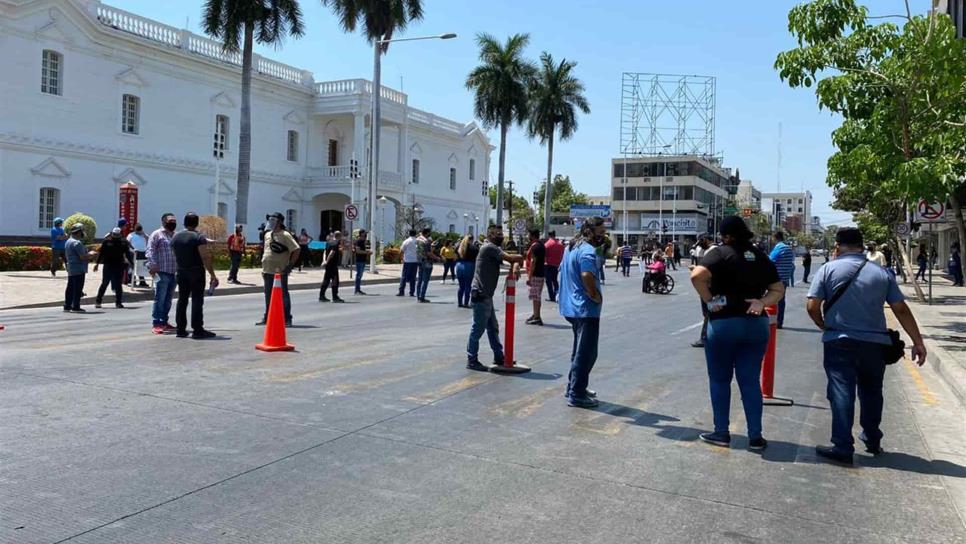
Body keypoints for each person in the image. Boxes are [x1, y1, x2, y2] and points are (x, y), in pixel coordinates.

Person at [806, 227, 927, 464]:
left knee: (842, 392)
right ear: (862, 246)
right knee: (872, 392)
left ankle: (842, 446)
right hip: (875, 344)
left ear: (838, 247)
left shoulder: (828, 269)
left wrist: (824, 325)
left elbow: (812, 306)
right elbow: (900, 308)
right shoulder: (882, 273)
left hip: (839, 341)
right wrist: (917, 342)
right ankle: (872, 438)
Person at [690, 216, 785, 450]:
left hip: (724, 323)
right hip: (756, 324)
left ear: (726, 235)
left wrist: (710, 300)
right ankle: (756, 437)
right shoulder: (760, 255)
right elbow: (778, 289)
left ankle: (721, 432)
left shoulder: (720, 253)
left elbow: (697, 276)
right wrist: (762, 302)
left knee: (721, 379)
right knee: (750, 380)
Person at [559, 217, 608, 408]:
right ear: (590, 231)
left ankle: (574, 385)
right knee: (587, 353)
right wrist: (594, 295)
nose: (603, 236)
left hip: (571, 306)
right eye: (601, 232)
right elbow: (587, 274)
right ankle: (577, 393)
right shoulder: (587, 250)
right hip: (585, 309)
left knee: (578, 351)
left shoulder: (571, 248)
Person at [465, 224, 524, 371]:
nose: (501, 237)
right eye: (497, 234)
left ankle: (499, 356)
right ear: (490, 235)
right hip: (481, 293)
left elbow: (511, 261)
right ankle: (471, 359)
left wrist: (515, 265)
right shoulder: (489, 247)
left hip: (486, 295)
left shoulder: (493, 248)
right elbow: (511, 258)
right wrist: (517, 261)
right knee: (478, 329)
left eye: (501, 234)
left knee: (492, 328)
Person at [170, 212, 218, 339]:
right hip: (196, 271)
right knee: (197, 300)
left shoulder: (175, 237)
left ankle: (180, 329)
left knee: (182, 299)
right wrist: (212, 274)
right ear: (197, 224)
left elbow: (175, 255)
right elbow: (205, 257)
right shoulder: (199, 237)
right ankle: (197, 329)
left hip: (181, 271)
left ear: (184, 223)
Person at [258, 213, 300, 324]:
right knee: (268, 294)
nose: (270, 221)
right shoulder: (268, 234)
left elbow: (296, 249)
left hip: (280, 270)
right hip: (267, 270)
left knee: (283, 294)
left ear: (279, 222)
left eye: (273, 219)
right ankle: (268, 317)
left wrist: (290, 265)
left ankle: (287, 318)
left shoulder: (285, 235)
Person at [146, 213, 179, 334]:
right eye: (171, 221)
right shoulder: (157, 234)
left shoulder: (175, 236)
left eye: (174, 221)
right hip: (161, 271)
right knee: (160, 298)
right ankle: (157, 323)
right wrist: (152, 265)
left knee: (168, 299)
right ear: (164, 222)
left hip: (173, 271)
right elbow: (150, 250)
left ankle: (164, 321)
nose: (173, 223)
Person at [94, 227, 132, 308]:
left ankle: (118, 302)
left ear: (120, 234)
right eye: (114, 234)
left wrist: (131, 263)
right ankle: (98, 301)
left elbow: (127, 253)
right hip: (108, 265)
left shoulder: (123, 242)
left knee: (118, 284)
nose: (115, 236)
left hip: (119, 265)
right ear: (112, 234)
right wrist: (97, 264)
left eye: (117, 235)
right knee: (105, 283)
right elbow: (101, 253)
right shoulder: (106, 242)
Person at [63, 224, 97, 312]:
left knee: (70, 287)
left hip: (71, 267)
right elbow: (82, 257)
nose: (83, 233)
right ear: (78, 232)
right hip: (78, 268)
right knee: (78, 287)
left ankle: (67, 305)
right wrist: (91, 254)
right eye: (82, 231)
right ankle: (75, 306)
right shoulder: (76, 243)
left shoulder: (68, 241)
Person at [689, 235, 714, 348]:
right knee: (708, 313)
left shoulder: (713, 250)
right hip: (707, 284)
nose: (700, 243)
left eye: (702, 241)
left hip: (710, 286)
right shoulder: (704, 249)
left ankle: (705, 338)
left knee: (709, 312)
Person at [768, 231, 795, 329]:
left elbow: (770, 261)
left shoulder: (779, 248)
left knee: (772, 300)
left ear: (775, 238)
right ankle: (779, 321)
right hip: (784, 279)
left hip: (776, 279)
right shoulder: (788, 248)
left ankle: (773, 321)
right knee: (781, 300)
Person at [524, 229, 546, 326]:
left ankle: (537, 317)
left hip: (536, 274)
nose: (528, 237)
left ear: (532, 236)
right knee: (535, 296)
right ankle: (535, 314)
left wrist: (529, 276)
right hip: (539, 273)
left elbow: (533, 261)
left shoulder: (536, 247)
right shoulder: (540, 245)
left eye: (529, 235)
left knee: (536, 297)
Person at [319, 230, 344, 303]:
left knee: (326, 279)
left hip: (328, 264)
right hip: (332, 264)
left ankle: (321, 295)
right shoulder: (336, 243)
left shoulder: (328, 242)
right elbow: (331, 253)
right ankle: (335, 297)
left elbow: (325, 252)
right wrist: (327, 261)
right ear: (339, 236)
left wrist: (324, 261)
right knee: (335, 280)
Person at [455, 234, 479, 308]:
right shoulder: (474, 248)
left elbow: (455, 253)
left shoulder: (459, 247)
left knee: (461, 286)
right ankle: (466, 303)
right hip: (469, 265)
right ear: (472, 239)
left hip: (459, 265)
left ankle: (459, 302)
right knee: (468, 285)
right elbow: (477, 256)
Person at [415, 228, 438, 303]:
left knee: (420, 280)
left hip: (419, 260)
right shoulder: (426, 241)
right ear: (427, 233)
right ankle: (422, 297)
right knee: (425, 280)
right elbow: (429, 253)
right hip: (427, 261)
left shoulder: (417, 239)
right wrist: (437, 258)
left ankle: (418, 296)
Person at [397, 230, 419, 297]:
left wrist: (401, 258)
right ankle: (411, 292)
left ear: (409, 234)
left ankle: (401, 291)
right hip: (415, 261)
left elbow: (401, 251)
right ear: (415, 234)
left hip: (407, 261)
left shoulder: (406, 241)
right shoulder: (417, 241)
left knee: (404, 276)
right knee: (413, 277)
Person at [544, 230, 564, 303]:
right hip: (556, 265)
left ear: (549, 235)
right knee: (555, 281)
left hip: (548, 265)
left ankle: (552, 297)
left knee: (548, 281)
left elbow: (544, 255)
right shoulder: (560, 244)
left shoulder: (547, 244)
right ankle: (557, 295)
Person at [353, 230, 371, 295]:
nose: (365, 235)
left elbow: (363, 249)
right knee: (359, 275)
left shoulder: (363, 241)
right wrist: (366, 252)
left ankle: (358, 289)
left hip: (363, 260)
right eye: (364, 233)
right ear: (361, 234)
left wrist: (367, 252)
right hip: (359, 260)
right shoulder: (359, 241)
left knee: (360, 275)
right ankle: (357, 290)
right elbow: (357, 251)